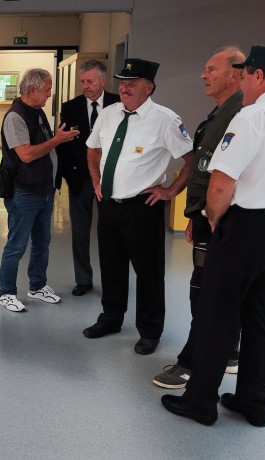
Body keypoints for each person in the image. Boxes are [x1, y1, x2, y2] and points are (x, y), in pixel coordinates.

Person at [161, 45, 265, 427]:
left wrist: (217, 223)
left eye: (245, 75)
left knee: (217, 314)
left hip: (246, 226)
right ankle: (254, 403)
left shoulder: (252, 116)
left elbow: (221, 184)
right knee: (263, 317)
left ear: (256, 75)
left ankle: (200, 402)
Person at [82, 58, 193, 356]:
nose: (125, 88)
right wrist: (96, 182)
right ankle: (111, 318)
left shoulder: (165, 119)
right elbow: (92, 150)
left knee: (149, 274)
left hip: (142, 208)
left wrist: (171, 190)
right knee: (111, 267)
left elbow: (191, 159)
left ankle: (150, 331)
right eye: (122, 83)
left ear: (149, 88)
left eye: (132, 84)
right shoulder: (108, 114)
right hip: (109, 205)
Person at [153, 47, 245, 389]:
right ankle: (229, 352)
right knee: (216, 288)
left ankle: (192, 362)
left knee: (205, 291)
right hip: (209, 215)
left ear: (235, 74)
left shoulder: (241, 114)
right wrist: (195, 214)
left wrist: (210, 216)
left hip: (222, 219)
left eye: (211, 69)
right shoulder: (222, 112)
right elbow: (205, 169)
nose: (204, 75)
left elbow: (224, 179)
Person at [0, 68, 81, 313]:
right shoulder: (16, 117)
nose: (49, 94)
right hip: (24, 192)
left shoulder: (38, 112)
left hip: (44, 190)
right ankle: (7, 293)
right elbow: (26, 154)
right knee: (16, 245)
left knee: (42, 242)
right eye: (47, 89)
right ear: (32, 90)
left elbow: (43, 145)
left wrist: (56, 139)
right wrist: (57, 140)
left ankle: (38, 285)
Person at [56, 60, 120, 297]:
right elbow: (63, 144)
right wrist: (66, 175)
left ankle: (112, 280)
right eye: (82, 81)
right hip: (79, 179)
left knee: (110, 232)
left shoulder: (118, 104)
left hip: (110, 179)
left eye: (90, 81)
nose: (85, 86)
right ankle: (83, 279)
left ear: (103, 80)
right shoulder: (70, 107)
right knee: (80, 233)